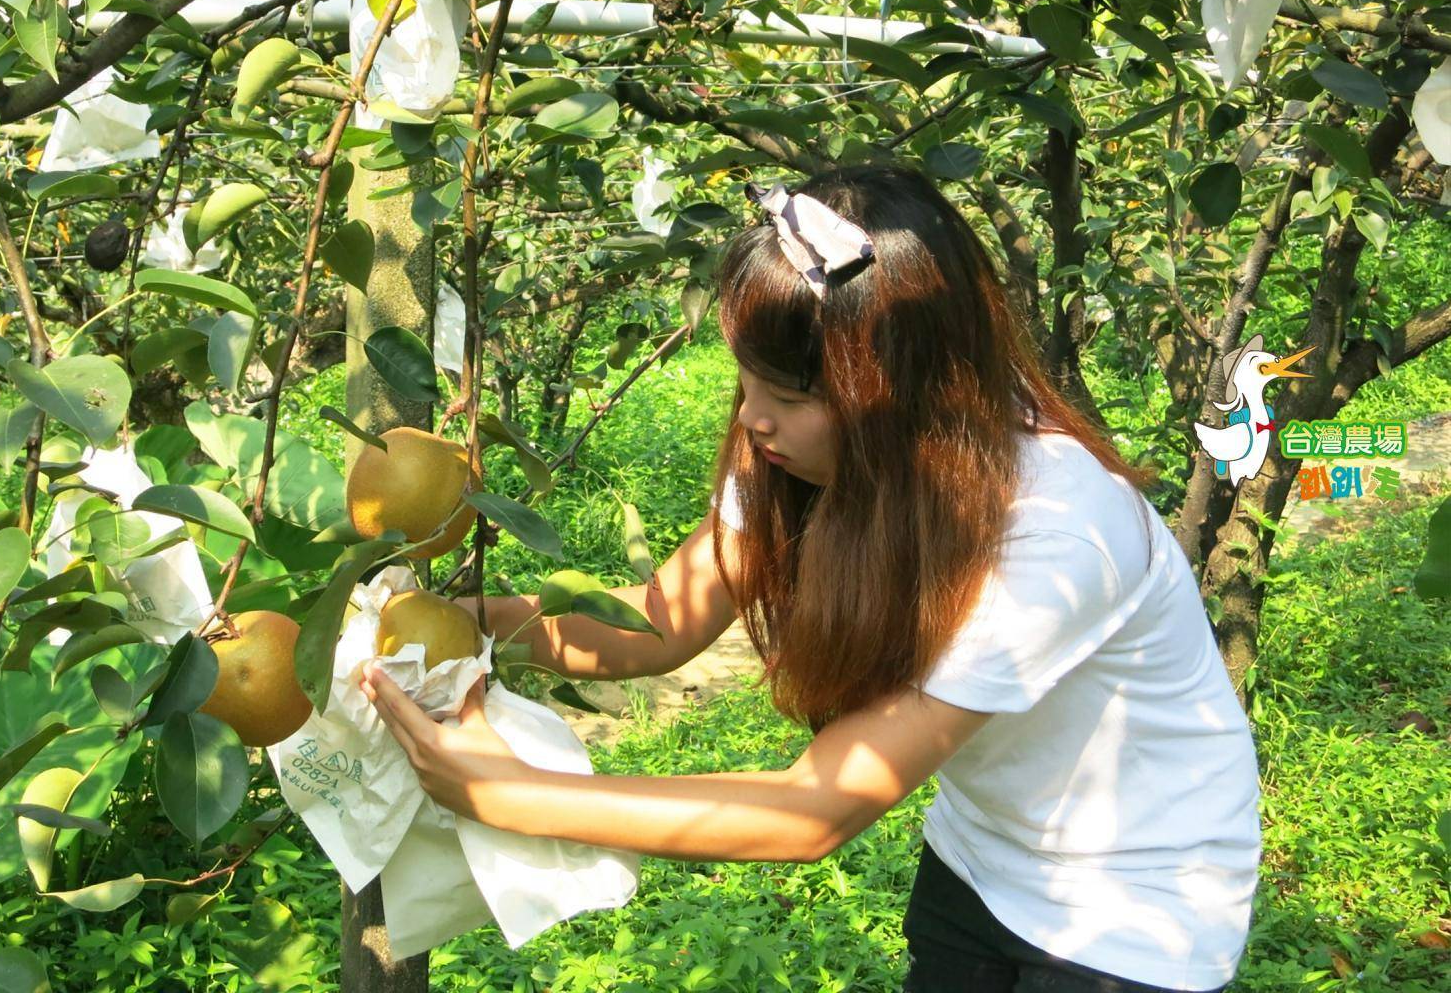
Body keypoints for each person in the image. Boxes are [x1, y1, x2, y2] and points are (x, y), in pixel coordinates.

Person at [359, 161, 1261, 992]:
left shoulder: (1055, 533)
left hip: (1137, 911)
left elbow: (816, 808)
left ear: (904, 397)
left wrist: (512, 794)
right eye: (747, 384)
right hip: (985, 858)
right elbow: (658, 623)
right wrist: (459, 622)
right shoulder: (804, 465)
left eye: (790, 399)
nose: (753, 420)